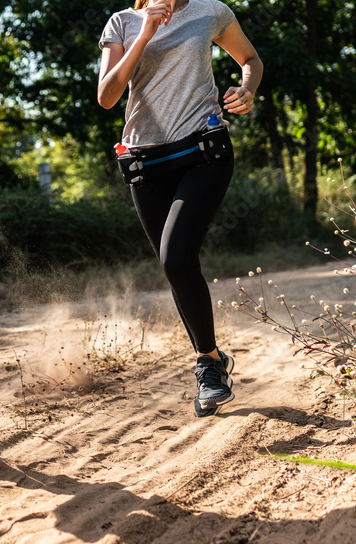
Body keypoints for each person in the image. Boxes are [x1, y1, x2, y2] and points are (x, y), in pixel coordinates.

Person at [97, 0, 262, 416]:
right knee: (176, 268)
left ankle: (207, 365)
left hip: (204, 150)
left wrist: (247, 89)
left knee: (176, 257)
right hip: (146, 162)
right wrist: (144, 35)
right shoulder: (123, 23)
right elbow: (106, 96)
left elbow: (250, 59)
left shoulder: (212, 12)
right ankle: (214, 357)